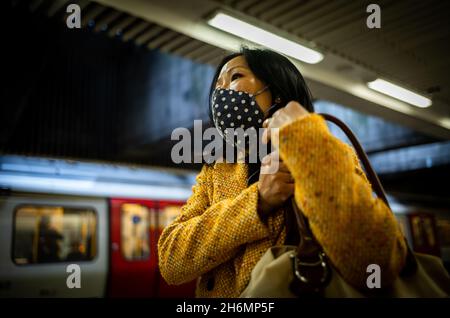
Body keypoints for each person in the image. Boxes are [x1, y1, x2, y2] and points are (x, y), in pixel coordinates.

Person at [158, 47, 407, 297]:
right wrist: (257, 203)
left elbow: (375, 261)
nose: (220, 94)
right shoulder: (216, 171)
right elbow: (171, 262)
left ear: (275, 91)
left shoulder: (323, 152)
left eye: (234, 77)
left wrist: (303, 141)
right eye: (217, 87)